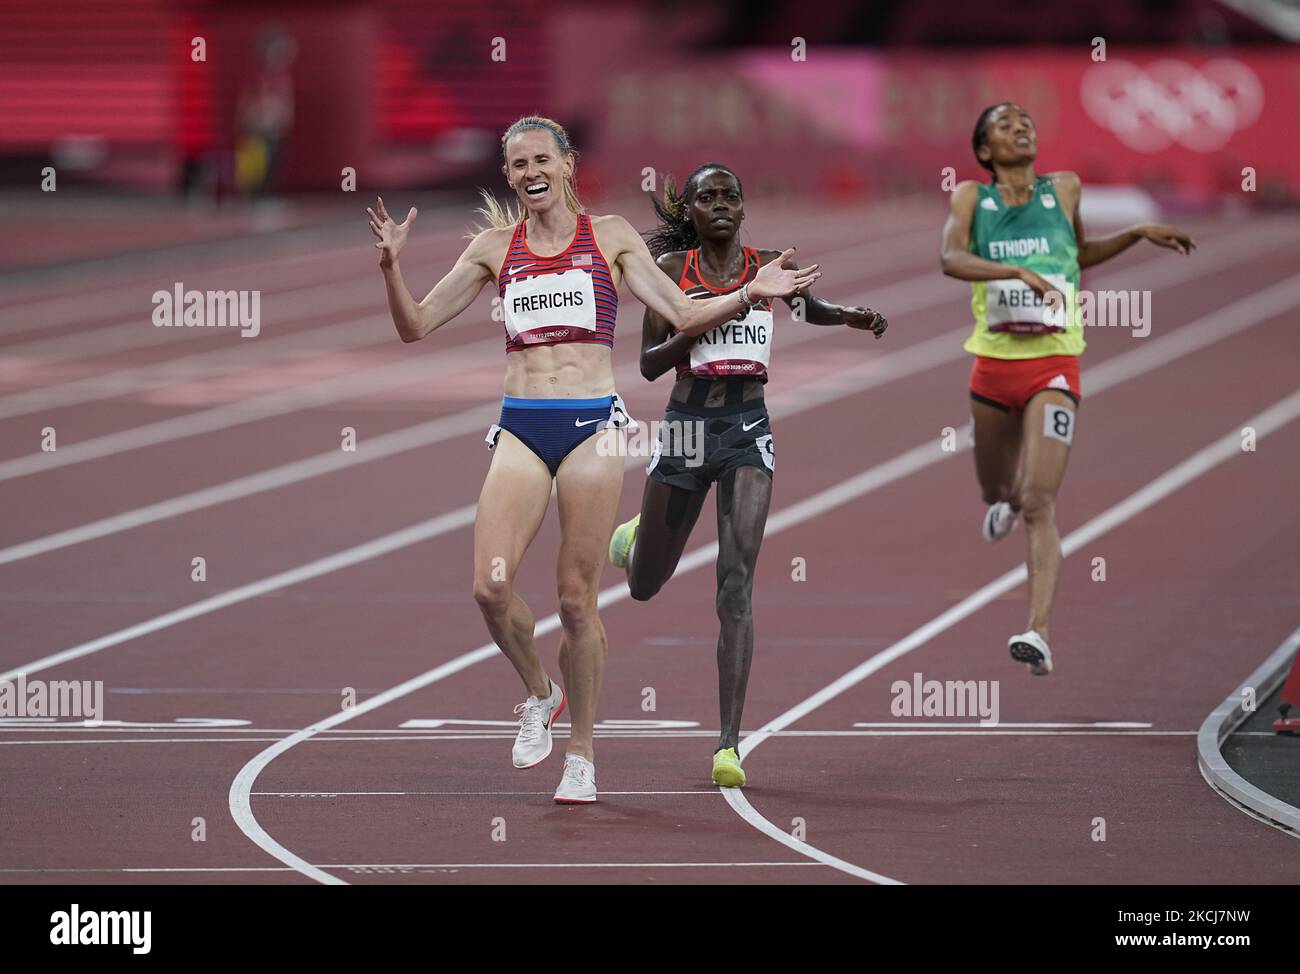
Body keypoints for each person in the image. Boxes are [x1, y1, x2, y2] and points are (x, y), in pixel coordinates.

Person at [368, 119, 820, 803]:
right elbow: (414, 327)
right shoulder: (495, 249)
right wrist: (391, 268)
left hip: (591, 430)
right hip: (522, 427)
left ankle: (581, 753)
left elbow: (680, 312)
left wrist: (750, 293)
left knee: (577, 600)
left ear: (568, 165)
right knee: (489, 588)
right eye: (517, 164)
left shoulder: (608, 236)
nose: (529, 172)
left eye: (540, 159)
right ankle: (538, 691)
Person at [608, 164, 887, 787]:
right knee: (645, 585)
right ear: (693, 211)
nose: (720, 206)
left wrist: (851, 317)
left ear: (744, 205)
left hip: (746, 431)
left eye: (730, 195)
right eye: (707, 198)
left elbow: (806, 305)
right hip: (683, 429)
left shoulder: (768, 264)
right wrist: (704, 316)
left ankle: (728, 746)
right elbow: (650, 366)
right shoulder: (673, 275)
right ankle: (637, 533)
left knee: (735, 585)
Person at [940, 102, 1195, 675]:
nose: (1020, 128)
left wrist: (1133, 234)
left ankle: (1038, 631)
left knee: (1039, 499)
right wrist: (1016, 271)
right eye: (1004, 125)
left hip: (1054, 363)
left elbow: (1077, 256)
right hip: (992, 367)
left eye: (1026, 121)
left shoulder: (1066, 189)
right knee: (998, 489)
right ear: (984, 151)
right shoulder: (971, 200)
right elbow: (950, 259)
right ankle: (1000, 502)